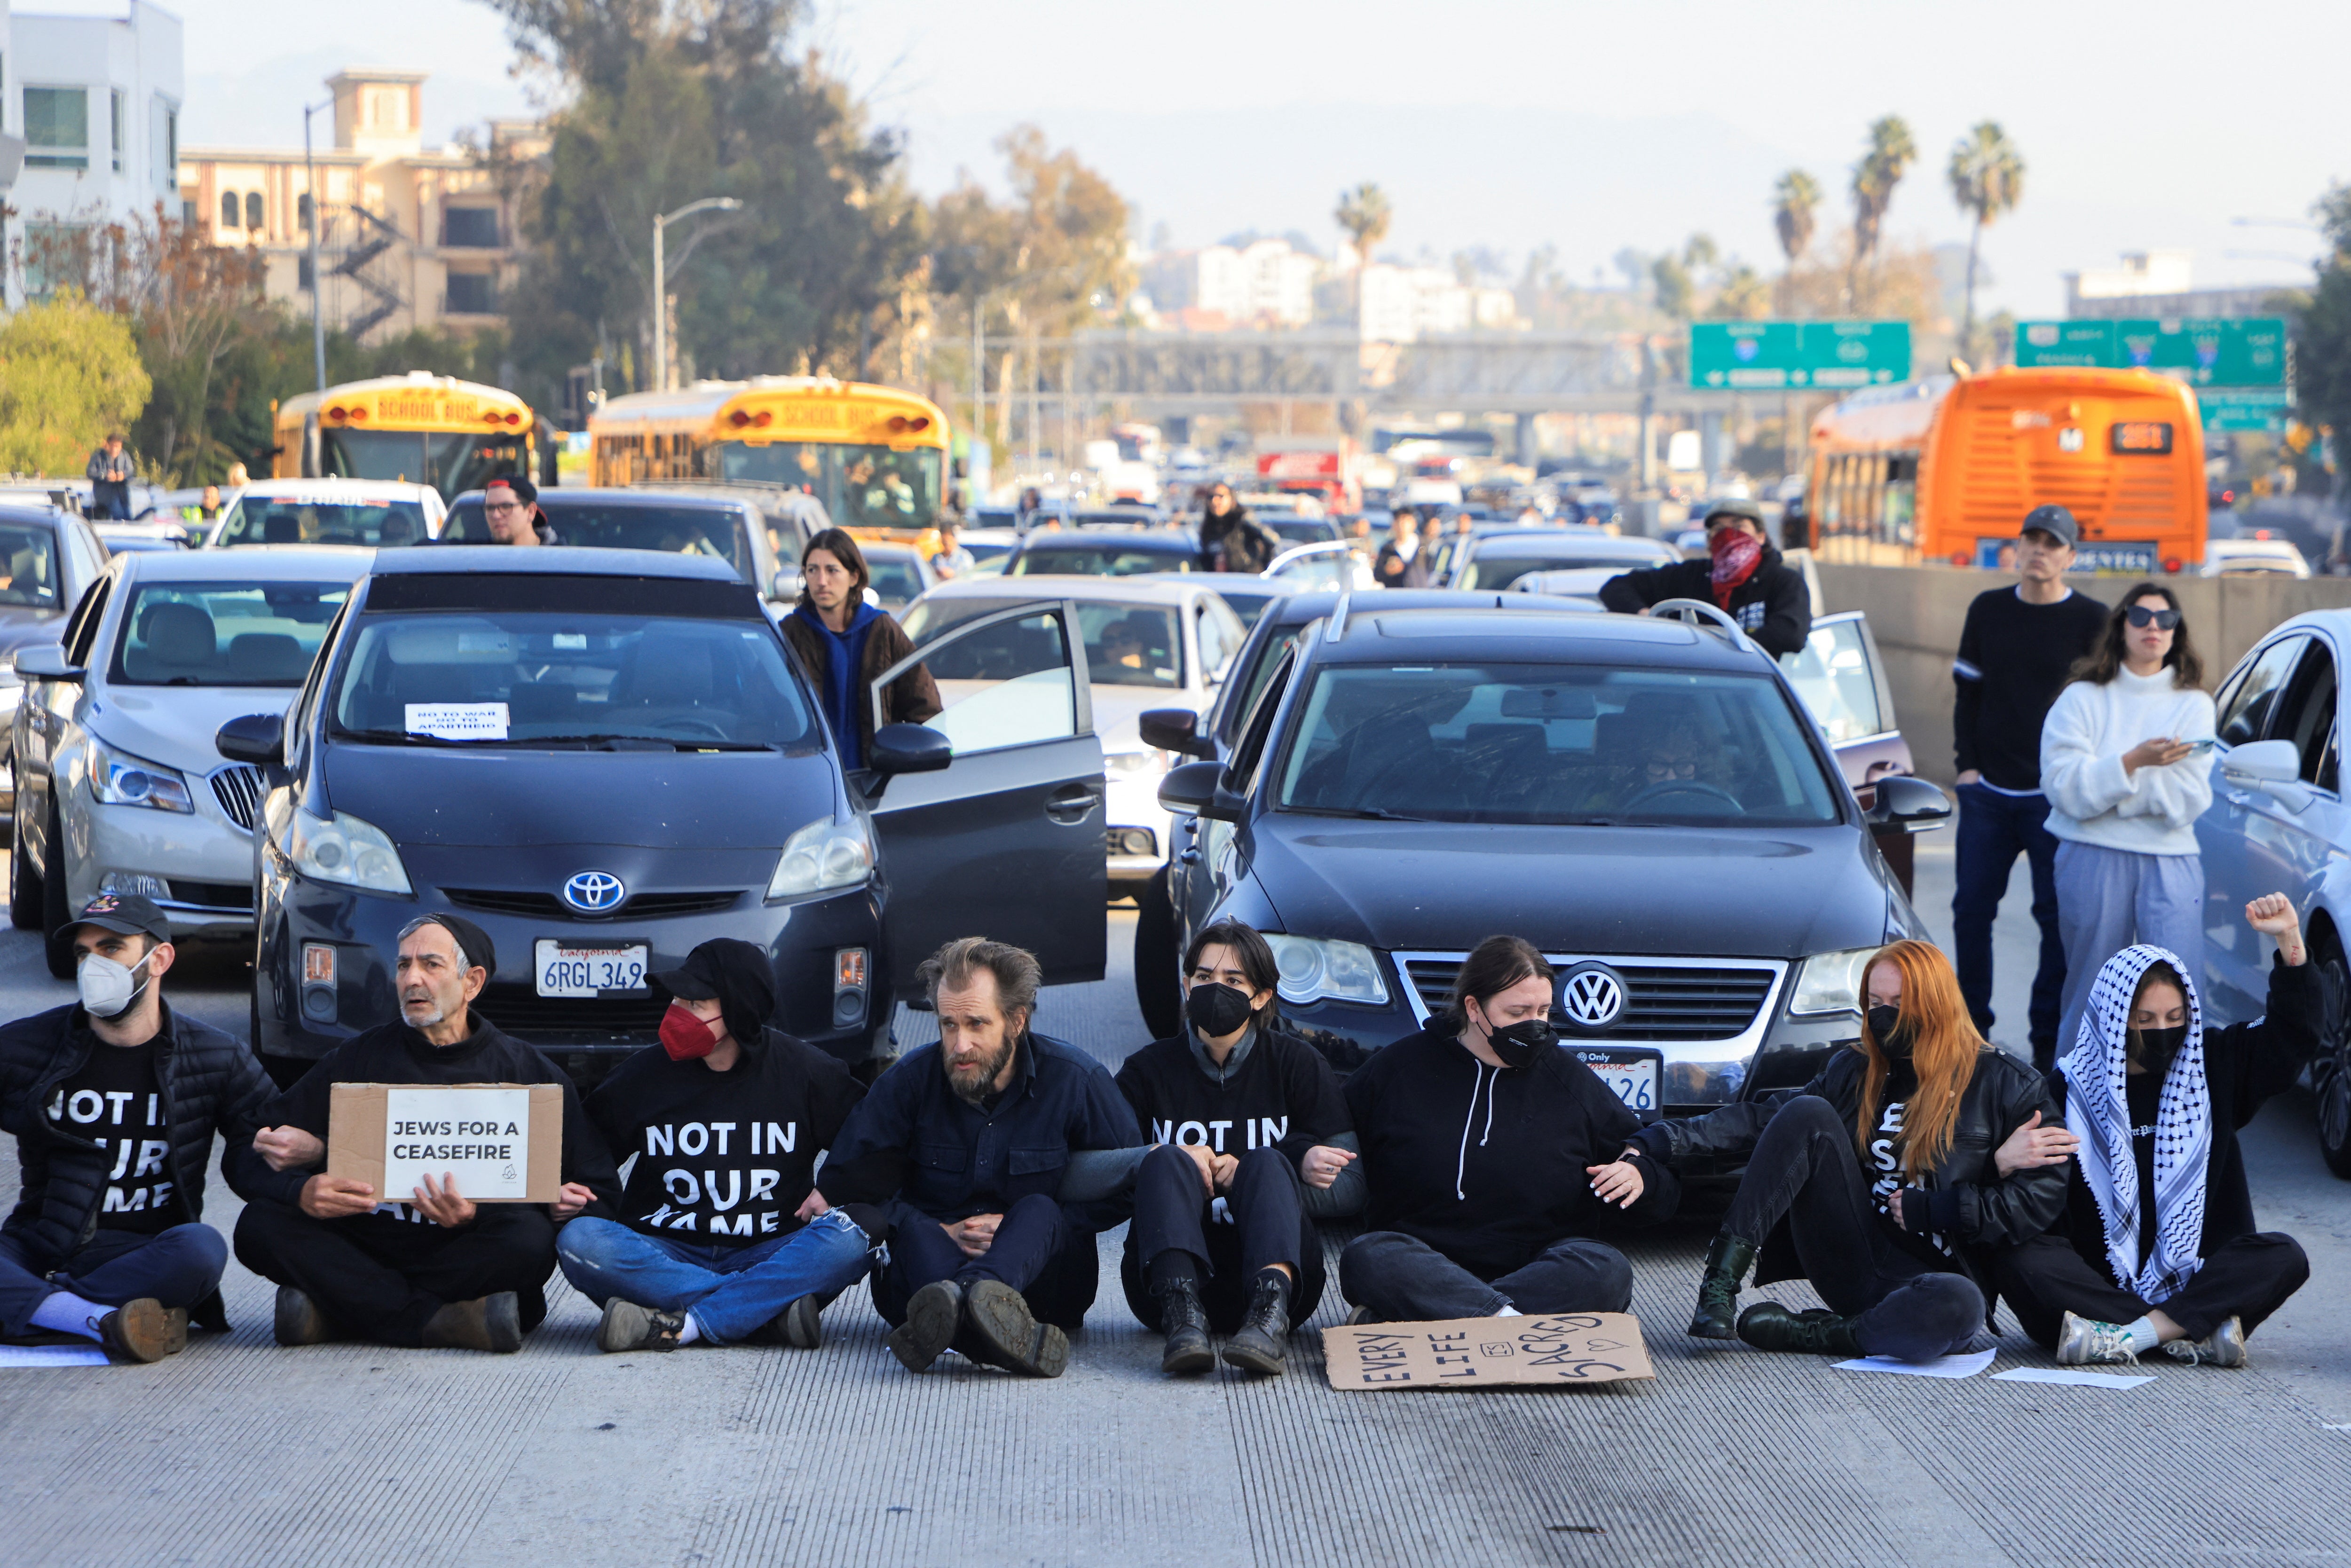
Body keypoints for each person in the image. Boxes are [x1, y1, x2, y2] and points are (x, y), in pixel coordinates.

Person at [1642, 940, 2065, 1361]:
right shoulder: (1854, 1069)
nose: (1885, 1015)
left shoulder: (2006, 1082)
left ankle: (1818, 1333)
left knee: (1960, 1305)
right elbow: (1764, 1121)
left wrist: (1947, 1207)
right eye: (1874, 1002)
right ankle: (1719, 1284)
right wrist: (1663, 1141)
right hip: (1852, 1253)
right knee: (1805, 1111)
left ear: (1937, 1004)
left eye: (1901, 1002)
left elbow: (2042, 1198)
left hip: (1935, 1281)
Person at [232, 915, 621, 1352]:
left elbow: (603, 1193)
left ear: (471, 981)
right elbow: (246, 1148)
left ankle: (342, 1310)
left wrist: (545, 1205)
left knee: (529, 1242)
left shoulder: (527, 1073)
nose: (411, 978)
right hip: (366, 1245)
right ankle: (443, 1320)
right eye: (402, 966)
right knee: (260, 1225)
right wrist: (301, 1186)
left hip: (462, 1255)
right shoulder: (357, 1059)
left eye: (431, 964)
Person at [1993, 898, 2316, 1367]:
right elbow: (2023, 1206)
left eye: (2173, 1018)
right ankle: (2188, 1331)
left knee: (2282, 1255)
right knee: (2020, 1258)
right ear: (2112, 1017)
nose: (2162, 1032)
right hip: (2096, 1286)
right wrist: (2002, 1160)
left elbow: (2294, 1034)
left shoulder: (2212, 1063)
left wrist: (2288, 939)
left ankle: (2127, 1336)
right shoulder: (2063, 1093)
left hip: (2196, 1277)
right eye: (2143, 1021)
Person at [820, 938, 1142, 1377]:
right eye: (948, 1024)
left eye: (976, 1024)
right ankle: (1000, 1337)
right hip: (923, 1277)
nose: (959, 1044)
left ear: (1017, 1021)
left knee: (1039, 1211)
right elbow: (847, 1184)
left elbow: (1127, 1183)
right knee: (913, 1229)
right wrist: (941, 1230)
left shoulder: (1075, 1080)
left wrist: (1027, 1236)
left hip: (1042, 1286)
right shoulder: (909, 1083)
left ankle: (957, 1315)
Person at [556, 939, 877, 1353]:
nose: (677, 1013)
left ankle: (681, 1323)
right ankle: (766, 1315)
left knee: (858, 1235)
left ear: (740, 1010)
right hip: (663, 1253)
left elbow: (871, 1139)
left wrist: (835, 1185)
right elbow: (586, 1152)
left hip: (771, 1251)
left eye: (695, 1003)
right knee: (580, 1239)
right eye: (676, 999)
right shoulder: (644, 1074)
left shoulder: (805, 1071)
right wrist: (565, 1189)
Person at [1337, 937, 1678, 1323]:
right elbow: (1325, 1129)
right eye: (1518, 1012)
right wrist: (1311, 1155)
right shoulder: (1398, 1068)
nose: (1535, 1024)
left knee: (1607, 1269)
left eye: (1544, 1011)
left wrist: (1640, 1175)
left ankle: (1442, 1315)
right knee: (1368, 1256)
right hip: (1423, 1260)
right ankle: (1508, 1321)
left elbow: (1658, 1185)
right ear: (1474, 1007)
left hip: (1538, 1266)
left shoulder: (1572, 1082)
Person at [0, 895, 274, 1363]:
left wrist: (295, 1158)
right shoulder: (27, 1045)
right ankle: (105, 1321)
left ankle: (40, 1311)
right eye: (84, 953)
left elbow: (269, 1137)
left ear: (159, 958)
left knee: (202, 1248)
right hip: (38, 1244)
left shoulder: (214, 1055)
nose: (93, 966)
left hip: (146, 1253)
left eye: (111, 949)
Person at [1115, 921, 1360, 1377]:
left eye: (1233, 981)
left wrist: (1256, 1177)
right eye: (1204, 977)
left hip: (1284, 1287)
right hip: (1163, 1290)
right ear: (1186, 984)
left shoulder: (1297, 1064)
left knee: (1266, 1161)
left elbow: (1351, 1187)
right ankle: (1183, 1315)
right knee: (1168, 1156)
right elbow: (1086, 1174)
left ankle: (1266, 1321)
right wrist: (1152, 1163)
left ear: (1263, 995)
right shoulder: (1146, 1071)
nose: (1215, 989)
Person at [1951, 505, 2111, 1072]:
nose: (2039, 550)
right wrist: (1965, 768)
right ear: (2016, 548)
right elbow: (1966, 694)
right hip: (1988, 793)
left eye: (2052, 542)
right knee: (1971, 910)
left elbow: (2105, 707)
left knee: (2056, 918)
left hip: (2056, 799)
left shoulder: (2094, 619)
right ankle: (1970, 1036)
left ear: (2070, 556)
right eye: (2031, 540)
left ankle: (2047, 1044)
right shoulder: (1987, 609)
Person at [2041, 581, 2215, 1054]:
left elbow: (2187, 799)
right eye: (2139, 616)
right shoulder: (2080, 699)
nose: (2152, 627)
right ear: (2120, 625)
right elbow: (2061, 788)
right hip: (2089, 855)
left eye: (2164, 618)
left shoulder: (2194, 705)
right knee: (2090, 987)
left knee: (2177, 989)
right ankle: (2073, 1105)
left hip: (2171, 859)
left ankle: (2179, 1111)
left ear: (2177, 630)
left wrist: (2107, 783)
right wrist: (2135, 761)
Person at [777, 527, 941, 772]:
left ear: (854, 577)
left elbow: (926, 709)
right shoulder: (790, 633)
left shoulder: (882, 631)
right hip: (809, 776)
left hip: (874, 781)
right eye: (813, 570)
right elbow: (764, 710)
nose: (822, 581)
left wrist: (904, 761)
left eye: (832, 570)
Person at [1597, 498, 1811, 658]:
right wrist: (1647, 615)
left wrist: (1724, 648)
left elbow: (1791, 634)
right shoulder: (1690, 576)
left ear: (1761, 536)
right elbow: (1616, 588)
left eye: (1738, 527)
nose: (1729, 535)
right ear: (1710, 542)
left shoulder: (1783, 582)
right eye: (1719, 529)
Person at [1199, 482, 1277, 574]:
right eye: (1211, 497)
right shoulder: (1208, 527)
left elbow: (1272, 540)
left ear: (1231, 499)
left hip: (1245, 580)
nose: (1215, 501)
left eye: (1220, 496)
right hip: (1219, 582)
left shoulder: (1243, 521)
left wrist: (1263, 569)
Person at [481, 475, 558, 545]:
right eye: (490, 508)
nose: (496, 515)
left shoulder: (559, 556)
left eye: (506, 507)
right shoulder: (479, 556)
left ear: (531, 511)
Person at [1373, 507, 1428, 589]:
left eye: (1406, 520)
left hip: (1420, 595)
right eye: (1399, 520)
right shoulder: (1388, 549)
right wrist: (1388, 571)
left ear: (1414, 523)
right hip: (1396, 597)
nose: (1402, 524)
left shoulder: (1425, 546)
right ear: (1394, 524)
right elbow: (1378, 575)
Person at [87, 433, 134, 520]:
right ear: (107, 445)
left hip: (123, 494)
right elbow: (90, 472)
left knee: (128, 517)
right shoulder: (98, 456)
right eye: (112, 446)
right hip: (105, 496)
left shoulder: (124, 455)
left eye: (117, 447)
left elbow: (131, 471)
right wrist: (105, 475)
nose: (114, 449)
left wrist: (123, 475)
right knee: (120, 516)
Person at [931, 517, 976, 583]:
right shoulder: (935, 558)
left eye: (947, 542)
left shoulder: (964, 557)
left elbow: (969, 577)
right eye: (943, 541)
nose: (945, 545)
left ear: (954, 540)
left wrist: (953, 575)